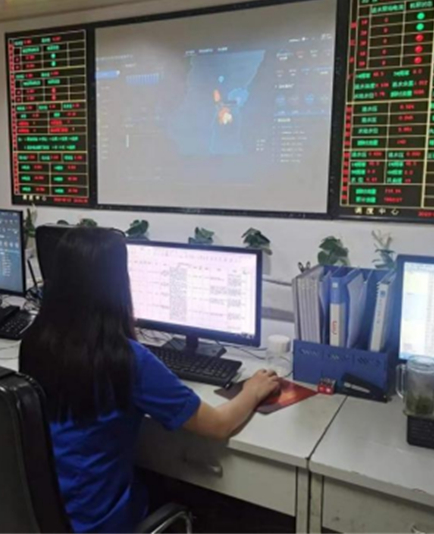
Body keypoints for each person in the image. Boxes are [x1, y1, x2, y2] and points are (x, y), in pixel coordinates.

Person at [19, 227, 279, 533]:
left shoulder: (35, 342)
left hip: (43, 514)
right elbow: (218, 425)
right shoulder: (125, 359)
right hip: (101, 522)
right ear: (117, 286)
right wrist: (251, 390)